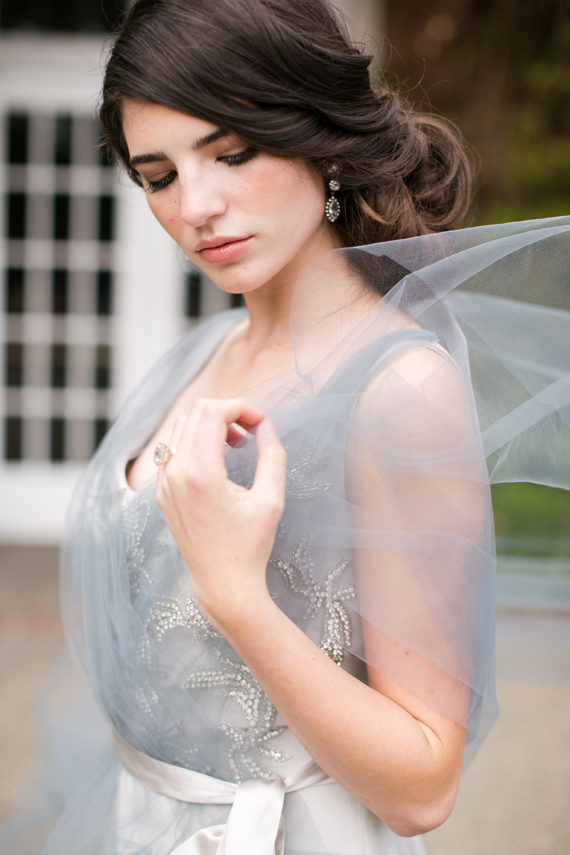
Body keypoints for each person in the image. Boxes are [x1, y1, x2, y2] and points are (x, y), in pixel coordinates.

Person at [4, 1, 570, 854]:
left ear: (322, 138)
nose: (196, 205)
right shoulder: (204, 349)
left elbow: (425, 785)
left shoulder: (397, 386)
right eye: (158, 176)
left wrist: (236, 594)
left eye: (233, 153)